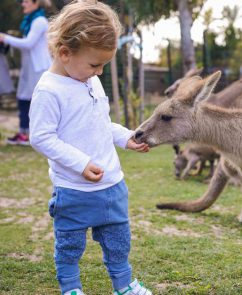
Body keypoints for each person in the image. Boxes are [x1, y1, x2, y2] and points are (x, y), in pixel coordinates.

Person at [28, 1, 153, 294]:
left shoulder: (89, 80)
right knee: (69, 244)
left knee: (119, 240)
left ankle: (124, 285)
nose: (98, 72)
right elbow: (41, 137)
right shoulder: (49, 91)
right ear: (64, 53)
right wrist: (81, 163)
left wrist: (125, 137)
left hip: (111, 184)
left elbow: (99, 124)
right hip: (74, 189)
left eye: (103, 66)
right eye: (95, 64)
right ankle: (71, 287)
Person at [0, 0, 52, 145]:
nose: (23, 4)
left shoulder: (39, 21)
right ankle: (23, 132)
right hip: (29, 68)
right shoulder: (30, 21)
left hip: (38, 68)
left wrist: (5, 38)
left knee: (34, 100)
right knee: (22, 97)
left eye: (26, 1)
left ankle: (32, 135)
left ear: (36, 3)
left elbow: (29, 44)